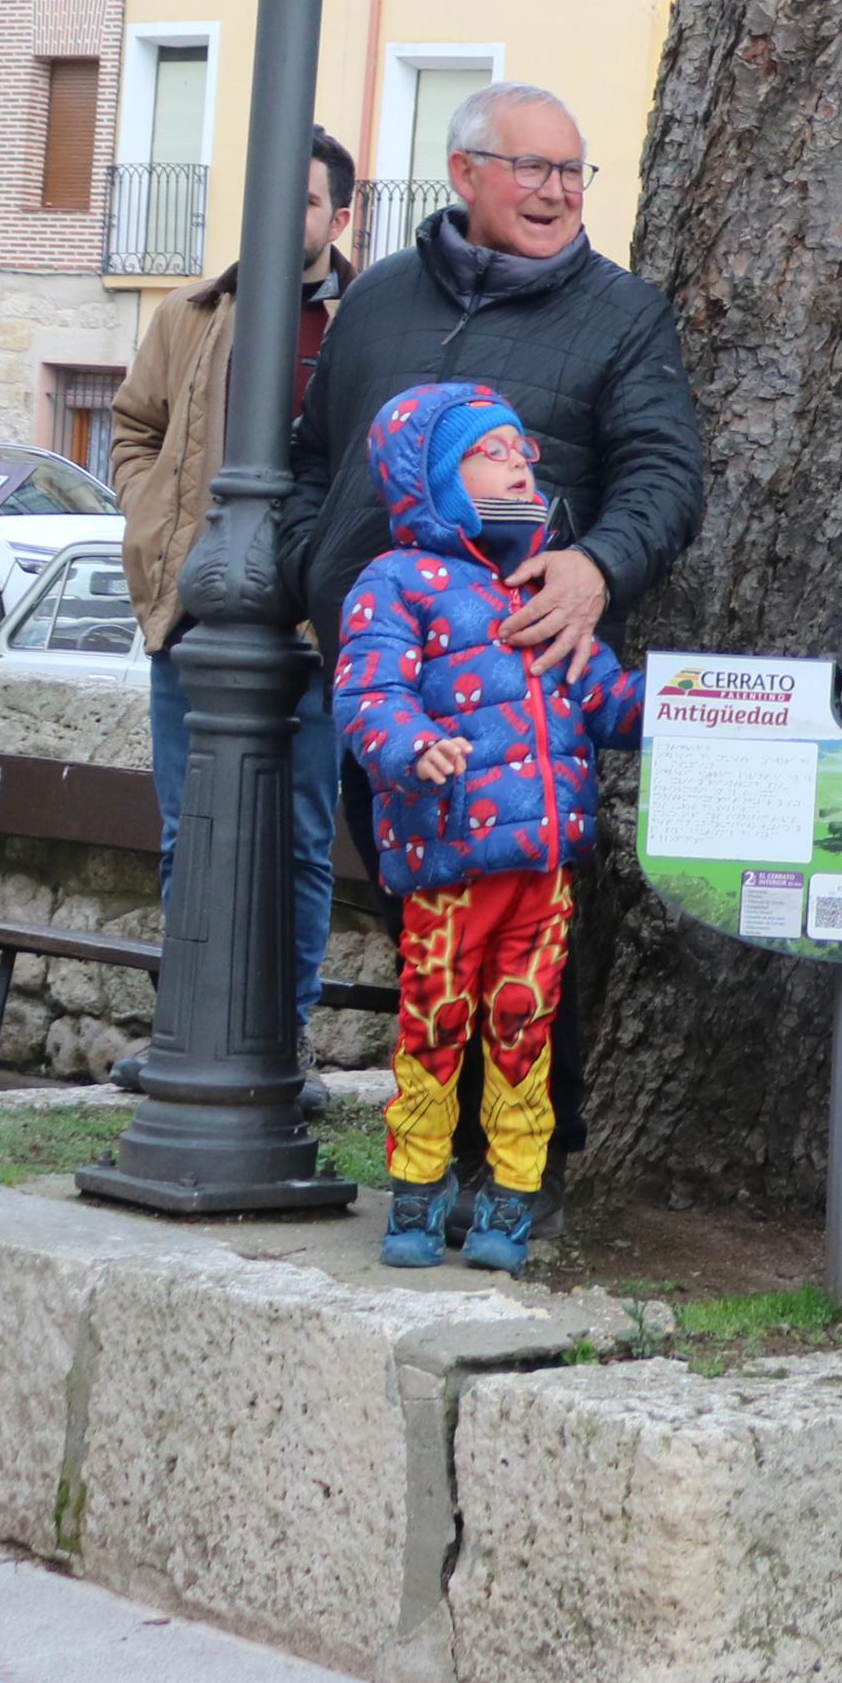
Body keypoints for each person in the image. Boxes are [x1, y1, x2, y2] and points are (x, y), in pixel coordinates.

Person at [284, 82, 706, 1180]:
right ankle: (437, 1162)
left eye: (572, 172)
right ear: (465, 172)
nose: (558, 192)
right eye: (533, 168)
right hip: (388, 693)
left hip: (522, 698)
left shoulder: (622, 314)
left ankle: (522, 1167)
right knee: (422, 933)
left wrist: (597, 564)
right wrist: (306, 564)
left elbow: (665, 475)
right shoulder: (377, 298)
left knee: (528, 947)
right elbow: (311, 458)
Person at [328, 384, 644, 1274]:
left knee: (523, 1027)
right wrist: (411, 744)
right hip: (448, 864)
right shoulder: (396, 581)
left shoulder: (542, 584)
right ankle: (416, 1193)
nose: (520, 463)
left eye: (521, 449)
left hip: (541, 869)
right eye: (491, 450)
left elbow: (605, 696)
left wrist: (691, 707)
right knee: (433, 1026)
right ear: (434, 479)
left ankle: (512, 1194)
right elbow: (368, 692)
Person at [108, 122, 361, 1105]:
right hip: (197, 620)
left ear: (339, 217)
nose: (282, 214)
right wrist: (152, 514)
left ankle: (278, 1042)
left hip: (315, 631)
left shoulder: (367, 323)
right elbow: (134, 426)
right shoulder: (190, 314)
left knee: (299, 841)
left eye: (304, 200)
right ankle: (186, 1033)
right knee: (191, 833)